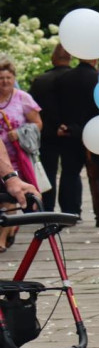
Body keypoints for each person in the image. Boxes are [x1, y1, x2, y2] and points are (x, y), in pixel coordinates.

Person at [0, 57, 43, 250]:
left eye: (8, 77)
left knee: (10, 196)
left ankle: (2, 238)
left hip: (16, 157)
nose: (5, 82)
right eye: (1, 78)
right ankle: (10, 227)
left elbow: (38, 124)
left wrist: (18, 133)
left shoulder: (22, 98)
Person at [53, 55, 99, 224]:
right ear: (94, 60)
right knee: (97, 175)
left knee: (69, 173)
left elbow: (55, 104)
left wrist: (62, 125)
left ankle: (69, 212)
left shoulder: (64, 78)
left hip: (68, 132)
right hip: (94, 131)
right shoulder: (97, 78)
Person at [28, 44, 72, 211]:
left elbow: (31, 108)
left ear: (53, 59)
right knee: (70, 173)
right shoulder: (74, 79)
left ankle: (47, 207)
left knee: (48, 172)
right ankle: (71, 209)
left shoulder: (40, 81)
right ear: (70, 59)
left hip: (46, 133)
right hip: (70, 132)